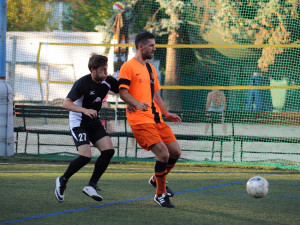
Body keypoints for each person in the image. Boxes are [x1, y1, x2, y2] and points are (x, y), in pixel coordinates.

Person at [118, 31, 182, 208]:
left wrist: (166, 113)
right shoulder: (128, 67)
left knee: (175, 152)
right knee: (163, 154)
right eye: (151, 45)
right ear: (141, 46)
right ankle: (160, 195)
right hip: (139, 120)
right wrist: (136, 103)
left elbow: (155, 94)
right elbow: (123, 92)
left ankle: (157, 179)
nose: (154, 48)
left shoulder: (150, 68)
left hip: (156, 119)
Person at [55, 54, 119, 203]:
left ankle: (91, 185)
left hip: (93, 121)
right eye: (102, 69)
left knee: (109, 150)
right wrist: (85, 110)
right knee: (85, 157)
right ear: (92, 69)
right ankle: (62, 180)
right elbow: (66, 104)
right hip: (79, 123)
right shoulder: (82, 83)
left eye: (106, 69)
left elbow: (122, 90)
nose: (105, 72)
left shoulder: (107, 81)